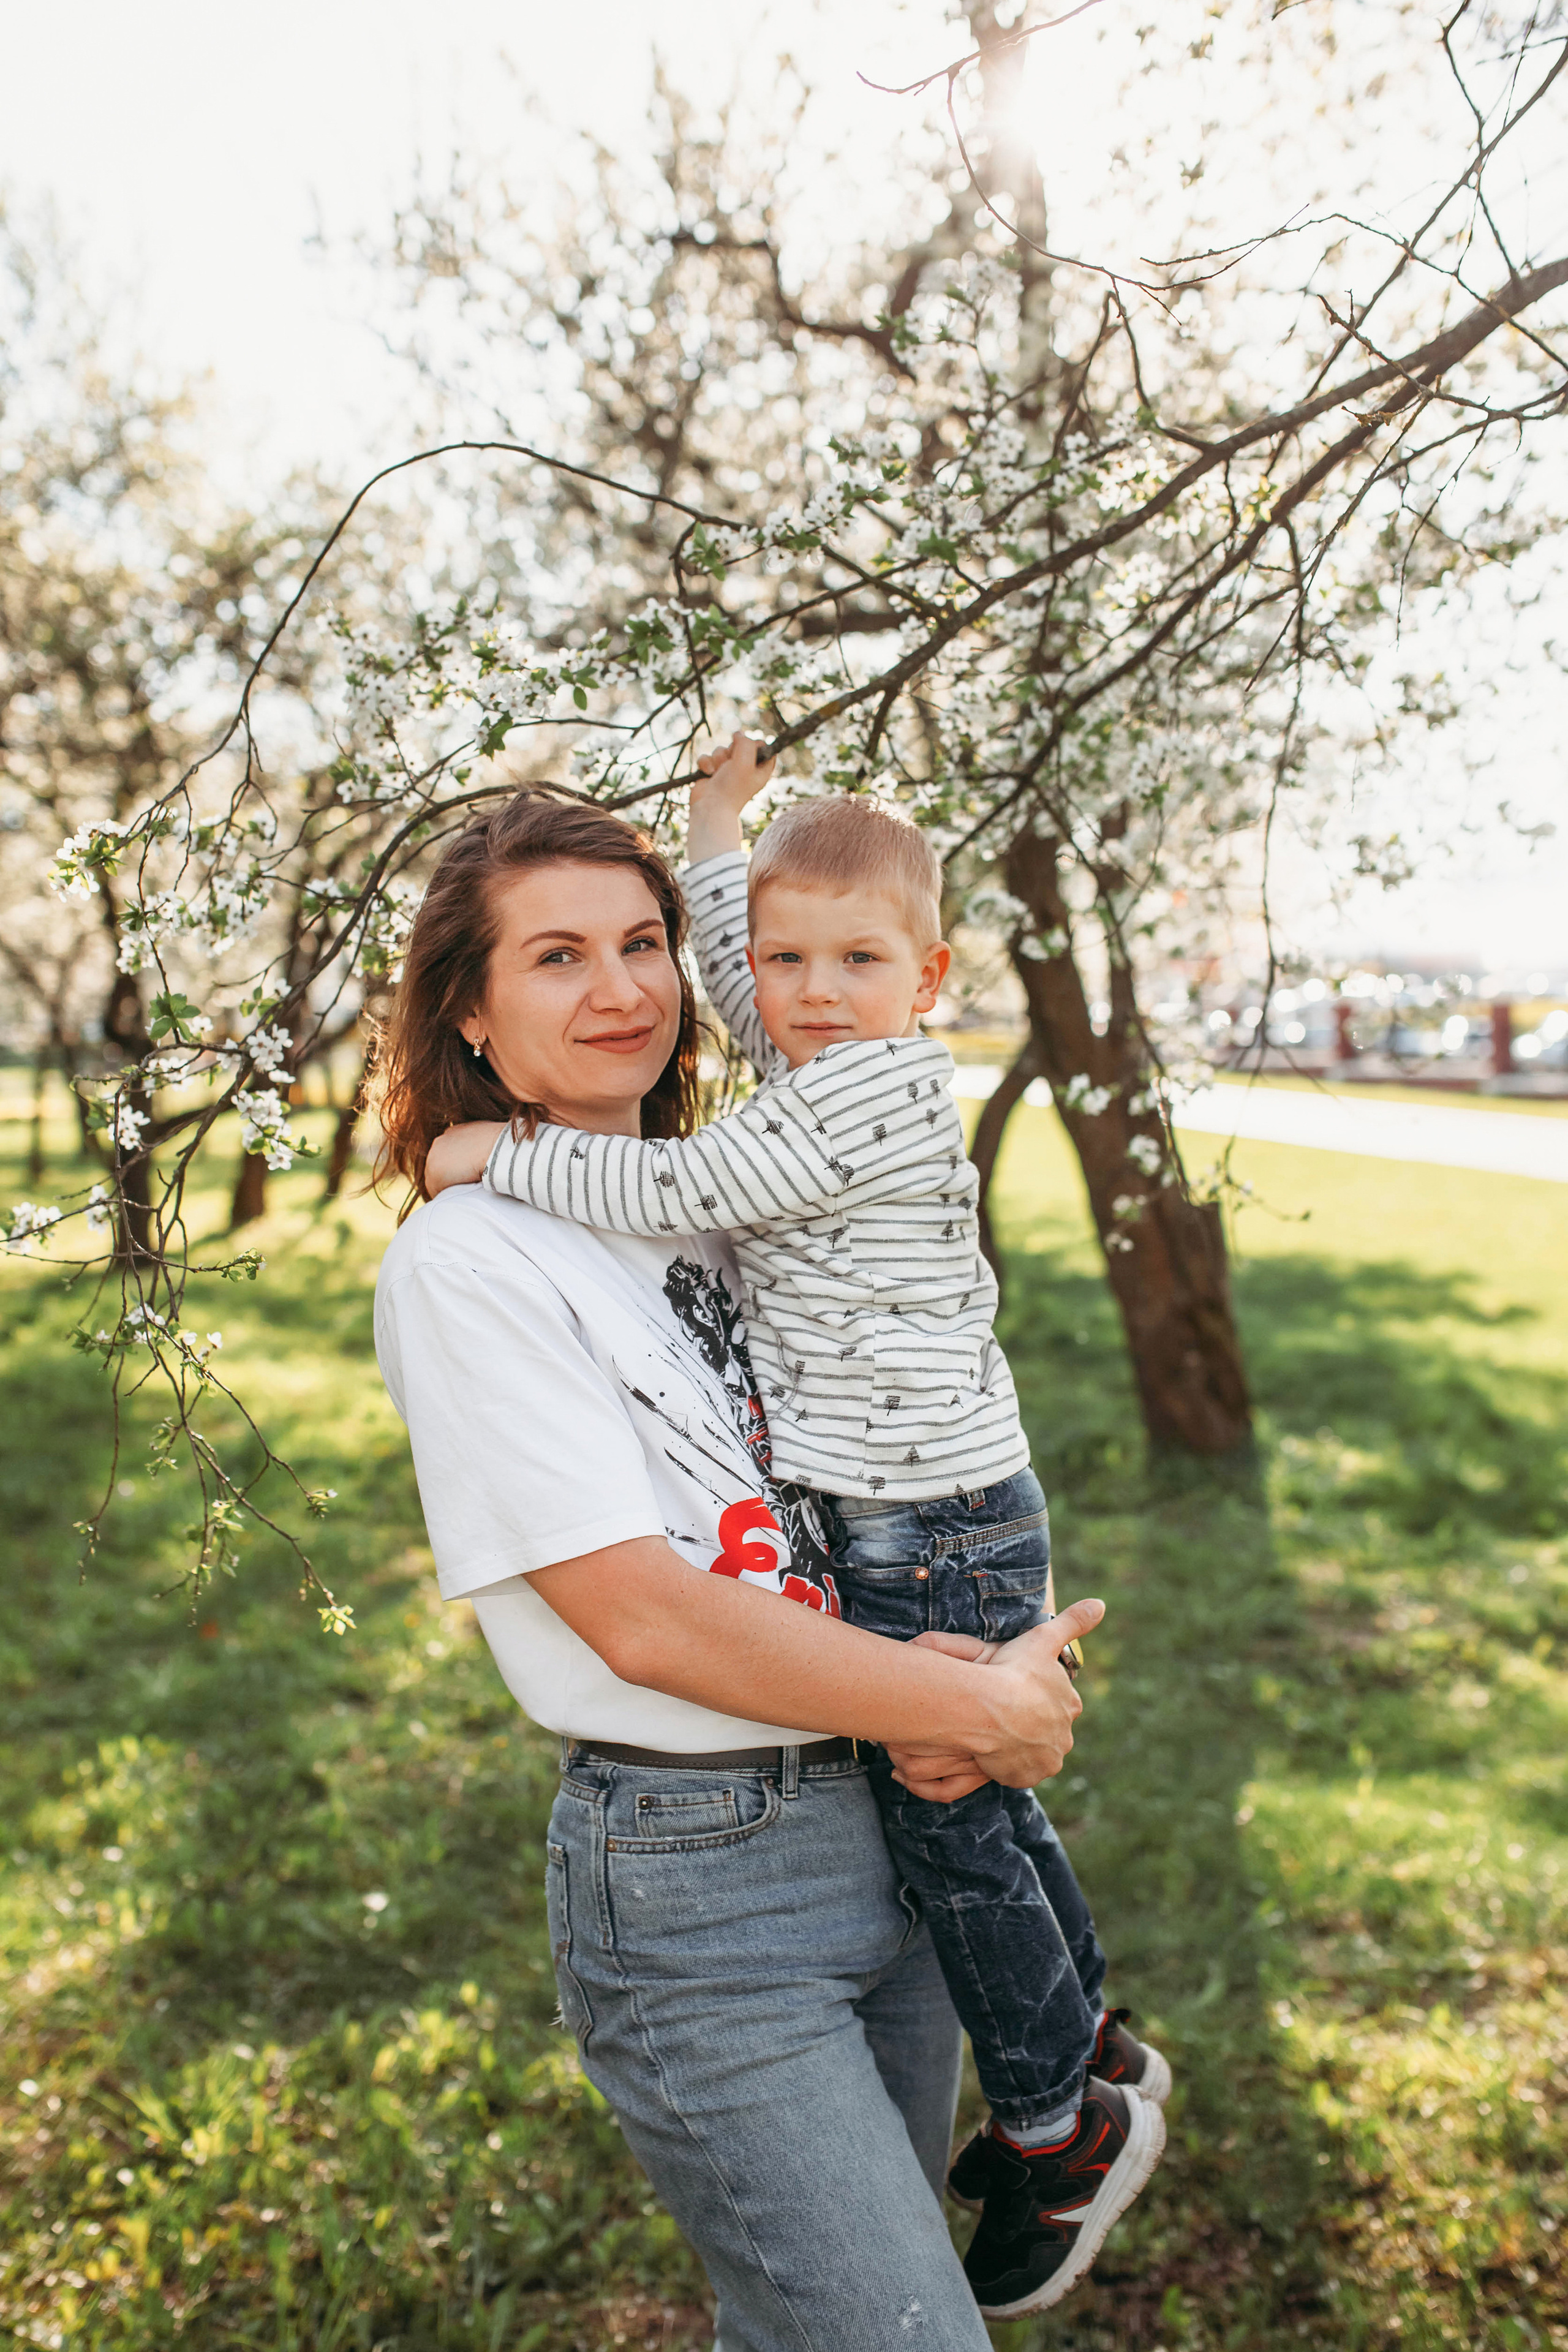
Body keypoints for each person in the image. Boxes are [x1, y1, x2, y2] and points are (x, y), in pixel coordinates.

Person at [424, 742, 1169, 2320]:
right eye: (557, 957)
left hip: (866, 1807)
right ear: (472, 1016)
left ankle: (1070, 2058)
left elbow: (733, 969)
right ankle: (1062, 2104)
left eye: (642, 946)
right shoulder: (472, 1258)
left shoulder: (714, 1184)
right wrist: (973, 1706)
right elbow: (644, 1620)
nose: (628, 985)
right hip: (707, 1881)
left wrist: (970, 1707)